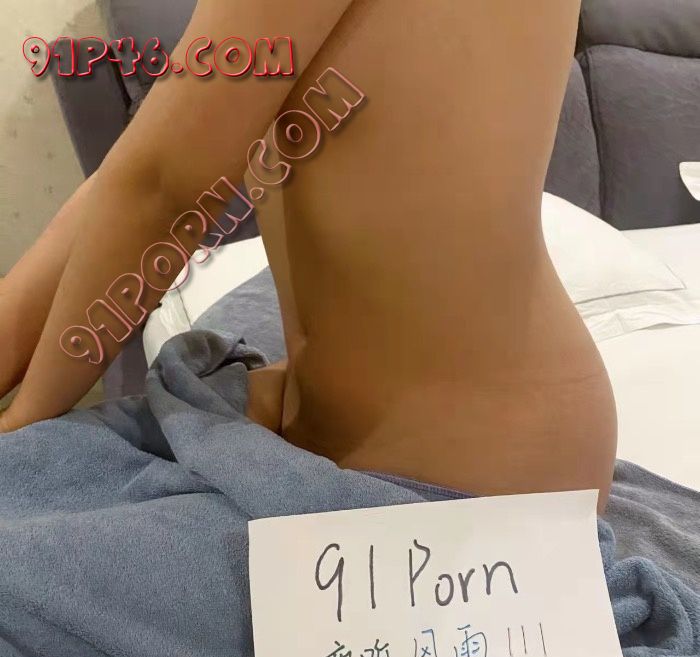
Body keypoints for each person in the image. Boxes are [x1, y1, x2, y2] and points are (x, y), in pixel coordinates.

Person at [0, 0, 616, 510]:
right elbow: (142, 170)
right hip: (350, 430)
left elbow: (163, 186)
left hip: (475, 482)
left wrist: (20, 430)